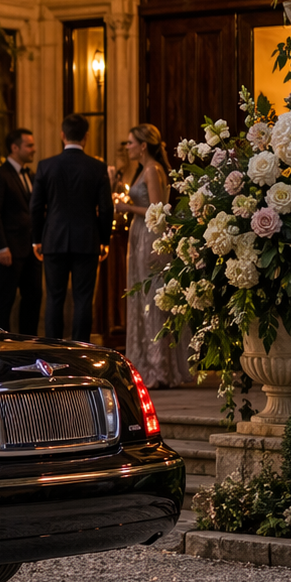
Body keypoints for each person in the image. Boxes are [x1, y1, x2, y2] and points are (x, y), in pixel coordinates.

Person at [115, 123, 192, 386]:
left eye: (130, 142)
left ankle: (159, 368)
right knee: (144, 296)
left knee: (152, 297)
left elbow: (158, 209)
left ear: (143, 145)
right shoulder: (144, 169)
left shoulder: (151, 169)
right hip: (141, 234)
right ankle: (148, 363)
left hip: (151, 236)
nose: (127, 147)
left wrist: (127, 207)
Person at [30, 115, 112, 342]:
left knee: (54, 298)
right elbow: (106, 208)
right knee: (83, 299)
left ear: (62, 135)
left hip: (53, 239)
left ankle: (53, 349)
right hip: (87, 239)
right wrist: (104, 240)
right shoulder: (97, 167)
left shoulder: (46, 165)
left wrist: (37, 239)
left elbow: (35, 207)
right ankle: (80, 347)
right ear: (86, 137)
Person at [0, 128, 41, 333]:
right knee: (5, 298)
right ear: (14, 148)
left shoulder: (31, 175)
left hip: (31, 248)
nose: (33, 149)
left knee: (34, 296)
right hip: (9, 248)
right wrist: (2, 247)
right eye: (29, 145)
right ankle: (0, 342)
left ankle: (29, 341)